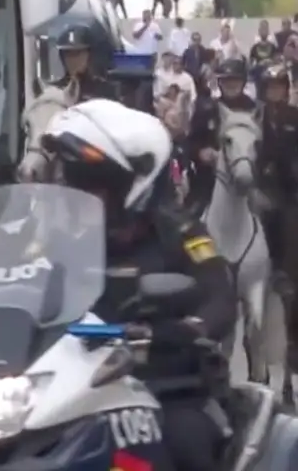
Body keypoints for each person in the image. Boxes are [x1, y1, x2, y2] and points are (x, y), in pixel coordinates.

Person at [41, 101, 236, 471]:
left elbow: (219, 296)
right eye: (71, 183)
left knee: (187, 445)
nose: (73, 195)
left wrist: (188, 329)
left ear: (131, 185)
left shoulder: (181, 234)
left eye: (89, 187)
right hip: (69, 390)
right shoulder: (56, 238)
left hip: (163, 387)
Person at [185, 57, 255, 208]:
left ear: (243, 82)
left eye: (235, 80)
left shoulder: (255, 110)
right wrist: (200, 152)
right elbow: (189, 143)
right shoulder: (206, 109)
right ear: (219, 83)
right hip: (210, 181)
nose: (231, 84)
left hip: (248, 178)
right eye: (226, 80)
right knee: (190, 219)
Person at [256, 62, 298, 288]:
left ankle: (281, 270)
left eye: (279, 86)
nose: (275, 91)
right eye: (271, 86)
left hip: (288, 183)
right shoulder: (254, 115)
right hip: (259, 181)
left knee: (286, 222)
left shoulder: (294, 115)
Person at [50, 24, 117, 102]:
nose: (72, 60)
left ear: (90, 55)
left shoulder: (105, 90)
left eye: (77, 53)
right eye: (67, 54)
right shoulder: (55, 90)